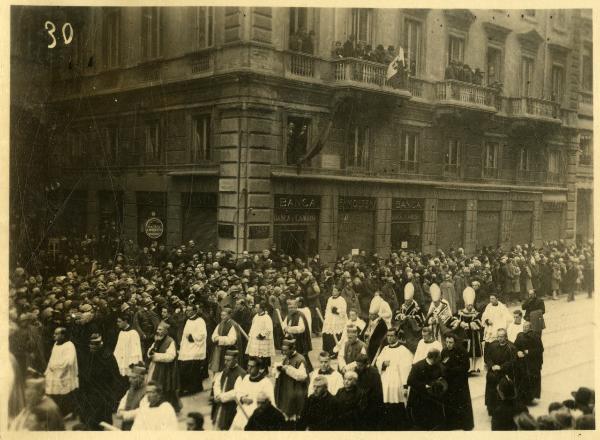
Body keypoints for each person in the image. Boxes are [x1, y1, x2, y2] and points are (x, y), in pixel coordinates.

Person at [77, 333, 123, 430]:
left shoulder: (108, 357)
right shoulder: (89, 355)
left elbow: (115, 378)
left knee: (103, 423)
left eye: (93, 344)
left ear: (100, 344)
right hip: (89, 395)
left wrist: (112, 398)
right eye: (90, 344)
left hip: (103, 396)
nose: (91, 346)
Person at [376, 328, 413, 429]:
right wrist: (383, 364)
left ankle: (398, 425)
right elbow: (378, 361)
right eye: (388, 336)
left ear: (396, 337)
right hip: (385, 379)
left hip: (397, 380)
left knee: (396, 403)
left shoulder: (403, 350)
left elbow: (406, 367)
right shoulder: (385, 349)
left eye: (392, 336)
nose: (389, 338)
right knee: (385, 402)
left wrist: (404, 383)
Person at [406, 348, 447, 430]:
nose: (439, 362)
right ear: (433, 358)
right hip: (419, 399)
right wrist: (424, 386)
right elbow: (410, 381)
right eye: (438, 359)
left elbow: (442, 376)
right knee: (422, 424)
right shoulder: (417, 366)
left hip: (433, 399)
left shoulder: (437, 366)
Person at [230, 357, 275, 430]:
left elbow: (271, 402)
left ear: (259, 368)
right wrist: (242, 398)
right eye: (248, 366)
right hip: (242, 412)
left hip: (258, 415)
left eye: (252, 366)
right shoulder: (246, 378)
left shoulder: (266, 382)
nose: (249, 369)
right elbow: (238, 392)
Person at [441, 333, 474, 430]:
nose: (448, 344)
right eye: (446, 342)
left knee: (462, 403)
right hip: (449, 382)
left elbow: (466, 367)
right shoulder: (444, 351)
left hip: (460, 382)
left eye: (450, 342)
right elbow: (442, 364)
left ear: (455, 343)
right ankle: (452, 424)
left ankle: (465, 424)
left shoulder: (462, 351)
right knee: (450, 403)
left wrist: (450, 370)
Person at [44, 326, 78, 416]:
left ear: (63, 335)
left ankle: (66, 413)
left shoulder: (69, 345)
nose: (54, 335)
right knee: (54, 394)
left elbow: (69, 362)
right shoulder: (56, 344)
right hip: (53, 374)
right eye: (54, 333)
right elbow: (52, 359)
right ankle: (57, 412)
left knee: (64, 394)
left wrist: (55, 367)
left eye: (56, 334)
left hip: (64, 374)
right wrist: (48, 370)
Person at [147, 321, 180, 413]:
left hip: (166, 370)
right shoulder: (157, 339)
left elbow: (171, 356)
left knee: (166, 389)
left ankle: (169, 407)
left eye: (160, 329)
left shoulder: (170, 341)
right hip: (156, 367)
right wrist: (150, 353)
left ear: (165, 331)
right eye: (157, 329)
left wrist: (156, 356)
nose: (158, 331)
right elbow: (151, 349)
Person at [484, 328, 518, 416]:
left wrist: (501, 367)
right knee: (490, 381)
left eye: (502, 337)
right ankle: (491, 407)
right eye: (498, 336)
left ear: (506, 337)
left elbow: (512, 362)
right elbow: (487, 358)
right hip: (493, 371)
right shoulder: (492, 345)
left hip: (505, 373)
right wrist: (492, 366)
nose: (500, 339)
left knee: (502, 386)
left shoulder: (511, 347)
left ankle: (502, 408)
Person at [274, 338, 309, 422]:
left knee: (295, 413)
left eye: (286, 350)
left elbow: (302, 376)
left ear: (292, 349)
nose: (284, 353)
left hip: (296, 390)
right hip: (287, 389)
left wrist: (287, 369)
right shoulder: (286, 358)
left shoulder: (300, 359)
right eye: (283, 350)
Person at [212, 349, 247, 430]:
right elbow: (217, 383)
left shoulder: (241, 373)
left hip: (232, 406)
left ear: (235, 360)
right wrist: (217, 394)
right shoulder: (225, 370)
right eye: (225, 360)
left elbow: (236, 392)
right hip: (220, 403)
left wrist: (221, 397)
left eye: (228, 360)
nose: (225, 362)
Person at [451, 287, 483, 373]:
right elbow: (452, 320)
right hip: (462, 336)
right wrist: (459, 323)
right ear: (465, 304)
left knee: (474, 350)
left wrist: (468, 325)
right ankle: (466, 368)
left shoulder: (476, 313)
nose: (470, 307)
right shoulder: (460, 313)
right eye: (468, 305)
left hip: (473, 335)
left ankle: (475, 367)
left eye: (471, 305)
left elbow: (479, 323)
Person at [178, 304, 207, 395]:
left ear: (195, 311)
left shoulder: (200, 321)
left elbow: (202, 335)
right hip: (187, 348)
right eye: (187, 310)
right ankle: (187, 387)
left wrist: (192, 337)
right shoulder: (188, 321)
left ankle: (193, 388)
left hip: (195, 348)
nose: (187, 312)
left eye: (190, 310)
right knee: (184, 368)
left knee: (192, 369)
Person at [514, 321, 544, 404]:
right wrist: (517, 352)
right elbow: (515, 346)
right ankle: (522, 398)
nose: (524, 328)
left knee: (531, 380)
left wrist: (529, 351)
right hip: (522, 361)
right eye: (523, 327)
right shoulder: (520, 335)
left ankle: (530, 398)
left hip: (532, 363)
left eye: (526, 327)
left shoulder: (535, 336)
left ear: (530, 328)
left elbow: (540, 349)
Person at [282, 299, 313, 372]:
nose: (291, 309)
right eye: (289, 308)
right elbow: (284, 324)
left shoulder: (300, 315)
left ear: (296, 307)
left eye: (293, 307)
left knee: (302, 355)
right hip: (291, 338)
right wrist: (284, 328)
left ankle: (308, 369)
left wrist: (290, 329)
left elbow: (301, 328)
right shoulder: (288, 315)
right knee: (292, 354)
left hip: (300, 339)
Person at [209, 307, 243, 373]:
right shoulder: (220, 324)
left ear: (229, 315)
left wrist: (219, 339)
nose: (222, 317)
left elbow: (232, 340)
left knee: (227, 369)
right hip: (219, 349)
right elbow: (214, 334)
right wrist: (215, 338)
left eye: (224, 315)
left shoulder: (233, 325)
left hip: (228, 350)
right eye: (221, 315)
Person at [116, 363, 148, 431]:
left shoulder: (147, 391)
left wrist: (125, 415)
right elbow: (123, 402)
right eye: (130, 377)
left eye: (133, 378)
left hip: (140, 427)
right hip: (126, 425)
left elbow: (142, 411)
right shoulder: (131, 389)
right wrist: (120, 410)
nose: (130, 380)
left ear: (141, 378)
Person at [395, 282, 425, 353]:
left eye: (407, 300)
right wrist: (400, 316)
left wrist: (410, 317)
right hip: (404, 329)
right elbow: (398, 315)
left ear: (411, 299)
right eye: (405, 300)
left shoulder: (416, 307)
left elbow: (420, 318)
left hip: (414, 330)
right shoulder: (403, 306)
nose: (406, 302)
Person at [246, 300, 276, 366]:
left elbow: (269, 329)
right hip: (255, 339)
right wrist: (250, 334)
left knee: (263, 356)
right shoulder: (256, 316)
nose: (255, 309)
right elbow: (253, 326)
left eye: (257, 307)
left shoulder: (267, 317)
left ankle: (263, 369)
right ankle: (256, 368)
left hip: (262, 340)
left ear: (261, 309)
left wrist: (261, 335)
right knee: (255, 355)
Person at [362, 297, 389, 363]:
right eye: (369, 314)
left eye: (371, 315)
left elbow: (380, 338)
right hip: (367, 343)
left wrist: (370, 341)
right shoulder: (370, 321)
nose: (369, 316)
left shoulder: (382, 323)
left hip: (375, 346)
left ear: (376, 315)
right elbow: (364, 331)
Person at [322, 286, 347, 356]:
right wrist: (326, 317)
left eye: (335, 291)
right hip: (330, 318)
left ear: (339, 292)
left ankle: (335, 352)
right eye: (333, 291)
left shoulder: (341, 300)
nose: (334, 292)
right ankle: (328, 352)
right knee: (327, 333)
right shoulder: (330, 299)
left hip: (338, 319)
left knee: (336, 334)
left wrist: (336, 311)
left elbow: (343, 311)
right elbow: (327, 309)